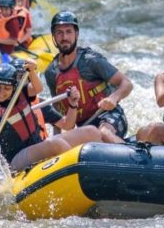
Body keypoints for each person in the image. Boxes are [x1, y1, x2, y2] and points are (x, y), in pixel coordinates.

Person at [0, 63, 102, 172]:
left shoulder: (20, 93)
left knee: (91, 131)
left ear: (14, 87)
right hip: (14, 159)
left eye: (6, 88)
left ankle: (102, 165)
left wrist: (31, 71)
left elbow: (38, 88)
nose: (2, 93)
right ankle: (85, 173)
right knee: (56, 145)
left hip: (37, 144)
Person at [43, 11, 133, 144]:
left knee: (103, 133)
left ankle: (128, 156)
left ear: (76, 34)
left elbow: (126, 83)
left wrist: (114, 98)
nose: (64, 37)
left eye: (69, 32)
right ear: (54, 36)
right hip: (84, 128)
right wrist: (56, 139)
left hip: (109, 116)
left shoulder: (91, 61)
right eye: (59, 32)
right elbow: (58, 112)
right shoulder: (51, 72)